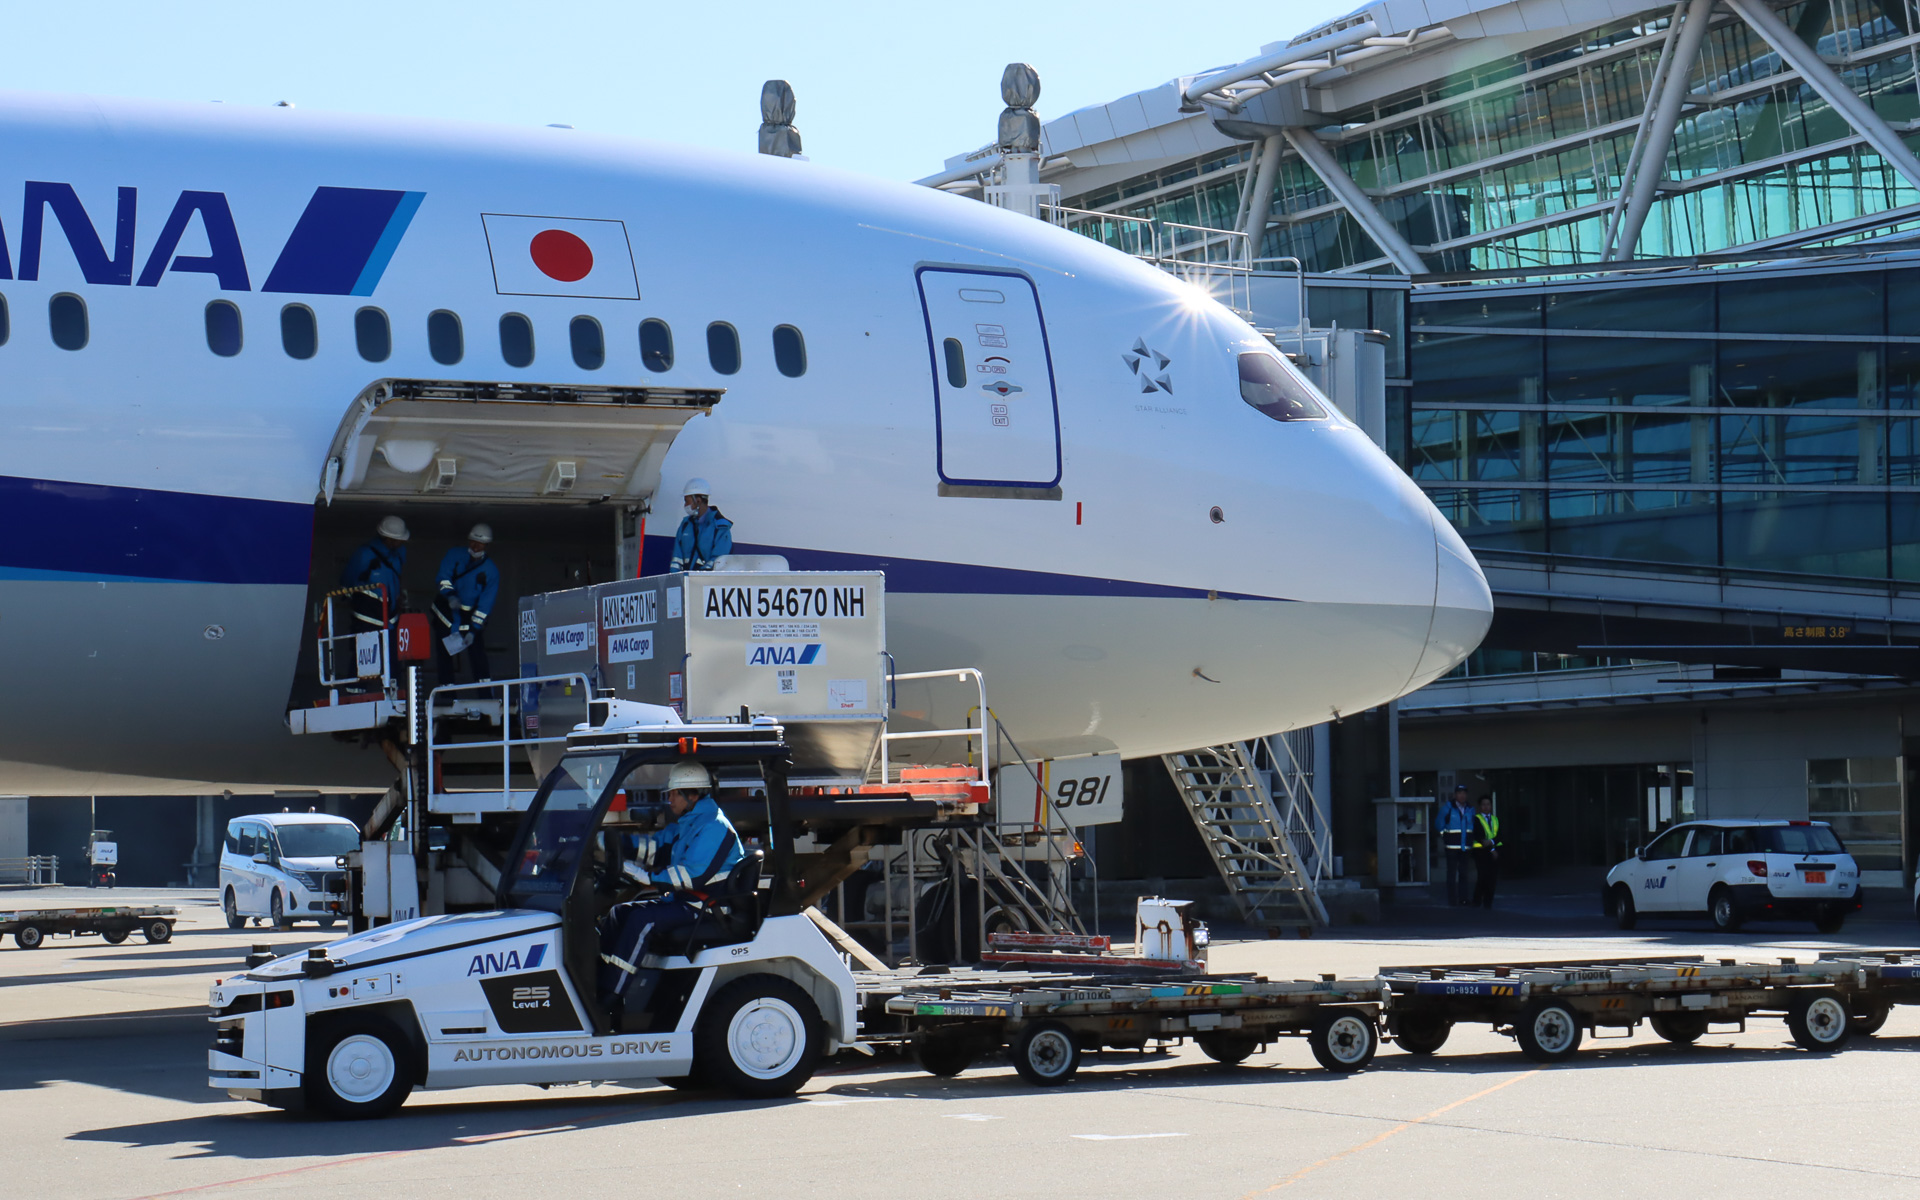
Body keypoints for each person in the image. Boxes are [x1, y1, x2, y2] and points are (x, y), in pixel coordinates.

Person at [598, 763, 745, 1026]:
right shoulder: (691, 823)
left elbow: (692, 875)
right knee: (619, 912)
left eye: (674, 793)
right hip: (687, 900)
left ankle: (611, 997)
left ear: (693, 794)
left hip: (705, 906)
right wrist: (620, 843)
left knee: (641, 921)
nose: (670, 799)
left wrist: (648, 878)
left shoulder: (713, 826)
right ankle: (603, 981)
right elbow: (658, 848)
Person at [432, 523, 501, 684]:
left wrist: (474, 631)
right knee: (444, 656)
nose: (475, 546)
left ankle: (486, 697)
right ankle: (447, 695)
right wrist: (450, 595)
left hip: (468, 619)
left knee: (478, 657)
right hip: (445, 614)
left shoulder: (491, 571)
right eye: (473, 542)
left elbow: (485, 606)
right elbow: (443, 578)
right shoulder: (454, 555)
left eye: (480, 543)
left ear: (487, 545)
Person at [339, 515, 409, 674]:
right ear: (389, 539)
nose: (402, 543)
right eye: (399, 540)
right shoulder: (364, 554)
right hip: (367, 613)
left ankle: (393, 690)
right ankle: (357, 693)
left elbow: (397, 576)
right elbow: (347, 580)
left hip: (390, 612)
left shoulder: (399, 554)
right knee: (366, 654)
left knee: (393, 654)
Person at [669, 478, 733, 571]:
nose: (685, 505)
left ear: (698, 500)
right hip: (686, 582)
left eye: (687, 501)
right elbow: (676, 559)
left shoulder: (720, 528)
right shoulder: (685, 525)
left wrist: (699, 578)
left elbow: (719, 560)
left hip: (706, 583)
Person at [1437, 785, 1475, 907]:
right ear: (1455, 795)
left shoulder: (1470, 809)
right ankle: (1452, 899)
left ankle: (1463, 898)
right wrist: (1445, 836)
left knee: (1464, 873)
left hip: (1465, 847)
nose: (1462, 795)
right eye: (1459, 793)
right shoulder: (1447, 808)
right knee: (1452, 874)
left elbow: (1472, 826)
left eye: (1464, 793)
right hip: (1452, 846)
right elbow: (1438, 824)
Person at [1471, 796, 1503, 909]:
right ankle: (1477, 900)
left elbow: (1500, 835)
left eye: (1488, 804)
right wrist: (1491, 848)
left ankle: (1488, 902)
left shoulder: (1495, 819)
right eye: (1483, 804)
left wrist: (1492, 842)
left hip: (1494, 851)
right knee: (1483, 876)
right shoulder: (1476, 819)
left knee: (1492, 878)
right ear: (1480, 806)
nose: (1486, 807)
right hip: (1481, 852)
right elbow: (1480, 837)